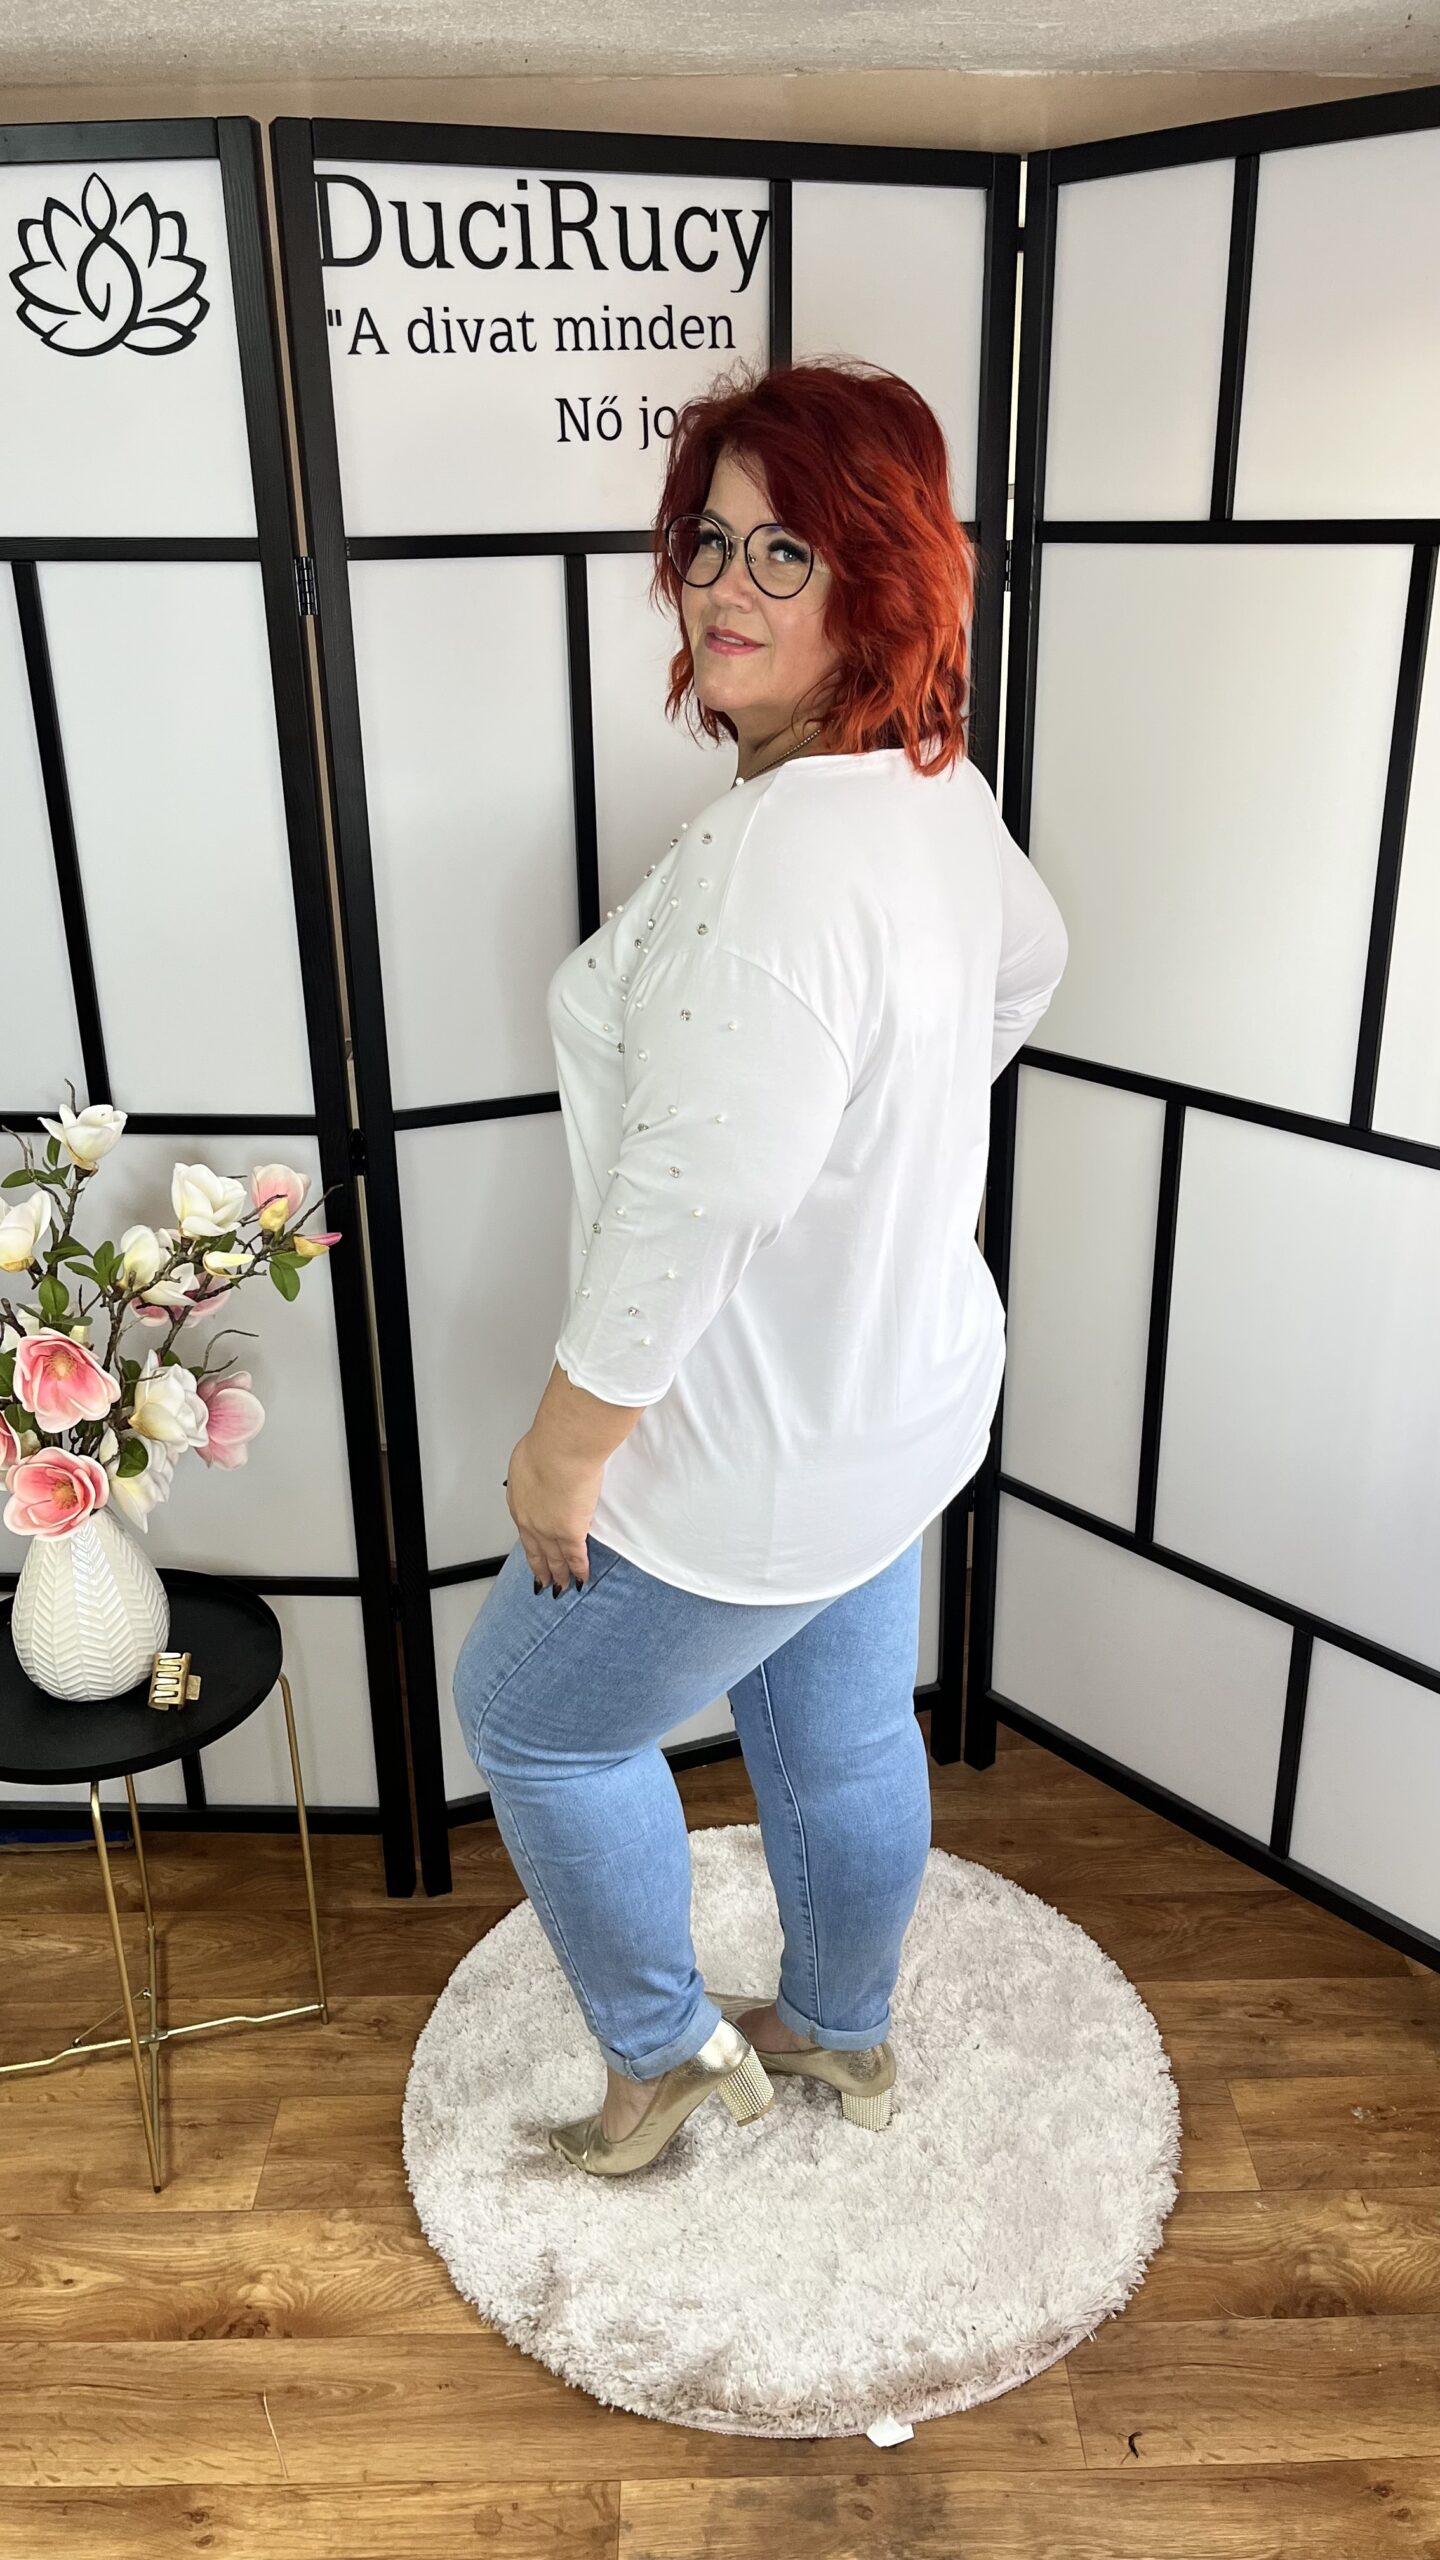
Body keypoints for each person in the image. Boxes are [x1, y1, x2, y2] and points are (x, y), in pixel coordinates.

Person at [453, 356, 1069, 2178]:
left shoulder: (778, 858)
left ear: (880, 580)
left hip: (738, 1450)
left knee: (531, 1723)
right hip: (899, 1398)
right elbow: (1030, 963)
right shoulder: (930, 792)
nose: (727, 588)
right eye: (712, 542)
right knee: (845, 1722)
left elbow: (700, 1194)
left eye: (786, 551)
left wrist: (565, 1452)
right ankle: (845, 2031)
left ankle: (660, 2058)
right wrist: (888, 1159)